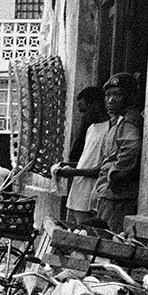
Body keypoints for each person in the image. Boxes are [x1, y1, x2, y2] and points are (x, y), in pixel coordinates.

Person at [94, 73, 143, 233]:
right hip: (110, 194)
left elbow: (131, 148)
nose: (111, 100)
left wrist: (114, 175)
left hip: (118, 196)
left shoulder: (129, 120)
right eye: (108, 95)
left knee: (108, 240)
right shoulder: (119, 120)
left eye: (118, 95)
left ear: (131, 97)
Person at [54, 87, 110, 224]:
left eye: (85, 111)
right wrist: (68, 167)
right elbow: (87, 161)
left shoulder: (110, 129)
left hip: (89, 199)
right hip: (75, 197)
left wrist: (74, 172)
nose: (83, 116)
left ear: (96, 105)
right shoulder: (91, 129)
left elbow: (102, 168)